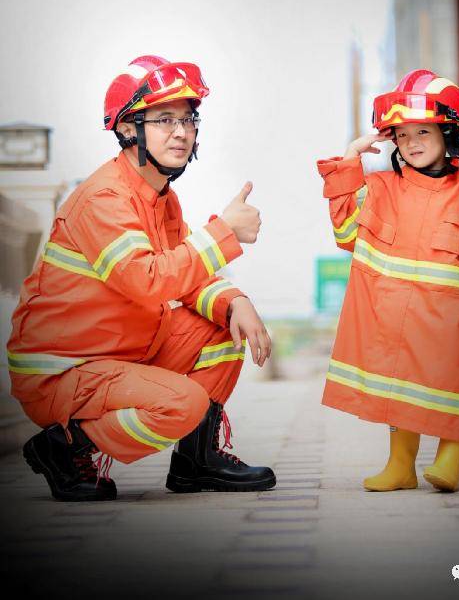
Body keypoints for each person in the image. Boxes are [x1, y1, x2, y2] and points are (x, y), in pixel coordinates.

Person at [8, 55, 276, 501]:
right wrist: (224, 232)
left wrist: (235, 301)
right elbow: (146, 280)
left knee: (223, 328)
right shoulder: (104, 198)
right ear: (128, 128)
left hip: (119, 353)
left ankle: (196, 462)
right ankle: (66, 447)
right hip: (64, 369)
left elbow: (185, 275)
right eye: (164, 119)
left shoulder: (160, 197)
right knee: (184, 404)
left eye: (188, 119)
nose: (181, 132)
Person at [317, 69, 459, 492]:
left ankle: (449, 460)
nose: (412, 142)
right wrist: (351, 156)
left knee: (455, 385)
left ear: (450, 134)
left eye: (423, 131)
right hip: (397, 323)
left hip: (453, 321)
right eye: (403, 135)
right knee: (400, 390)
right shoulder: (380, 188)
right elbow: (346, 230)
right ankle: (400, 465)